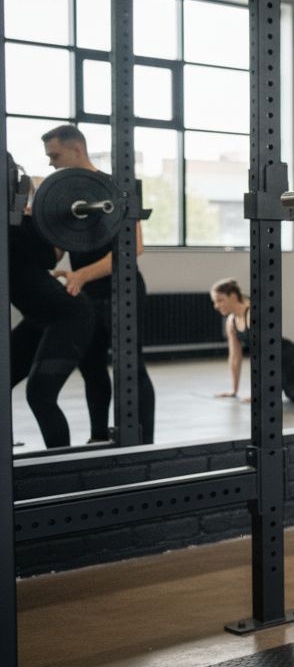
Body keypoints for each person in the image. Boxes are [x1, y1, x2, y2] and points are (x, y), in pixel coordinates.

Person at [42, 124, 156, 443]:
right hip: (87, 296)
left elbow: (133, 249)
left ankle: (143, 443)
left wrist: (81, 274)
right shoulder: (64, 195)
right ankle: (98, 438)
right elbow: (56, 248)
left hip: (124, 291)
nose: (51, 163)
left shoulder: (116, 186)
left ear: (76, 149)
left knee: (131, 368)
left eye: (55, 155)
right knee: (91, 367)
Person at [8, 153, 95, 448]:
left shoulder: (15, 222)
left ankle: (61, 465)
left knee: (40, 394)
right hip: (40, 317)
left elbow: (47, 255)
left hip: (68, 315)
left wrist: (32, 218)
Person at [209, 278, 294, 416]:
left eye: (220, 300)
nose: (216, 306)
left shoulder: (253, 313)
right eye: (215, 301)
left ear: (233, 296)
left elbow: (266, 352)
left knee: (292, 392)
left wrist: (260, 393)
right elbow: (235, 357)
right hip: (270, 356)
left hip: (285, 353)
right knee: (292, 390)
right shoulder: (231, 322)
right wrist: (234, 390)